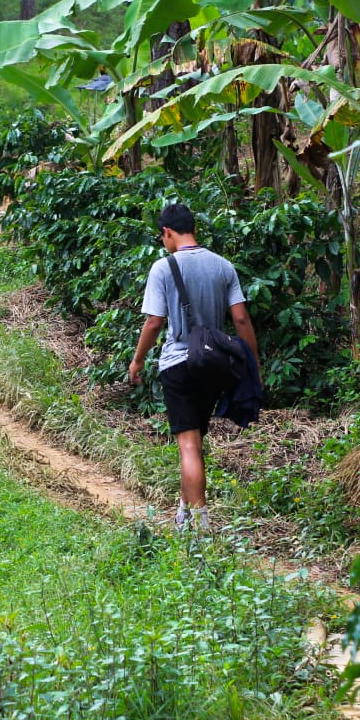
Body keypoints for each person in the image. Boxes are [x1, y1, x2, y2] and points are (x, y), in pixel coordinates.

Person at [128, 203, 259, 531]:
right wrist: (252, 364)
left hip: (178, 364)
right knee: (196, 443)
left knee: (187, 445)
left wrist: (138, 359)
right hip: (212, 366)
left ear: (167, 232)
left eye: (163, 237)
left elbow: (155, 322)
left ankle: (201, 528)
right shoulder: (223, 266)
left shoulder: (163, 267)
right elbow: (241, 319)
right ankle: (183, 517)